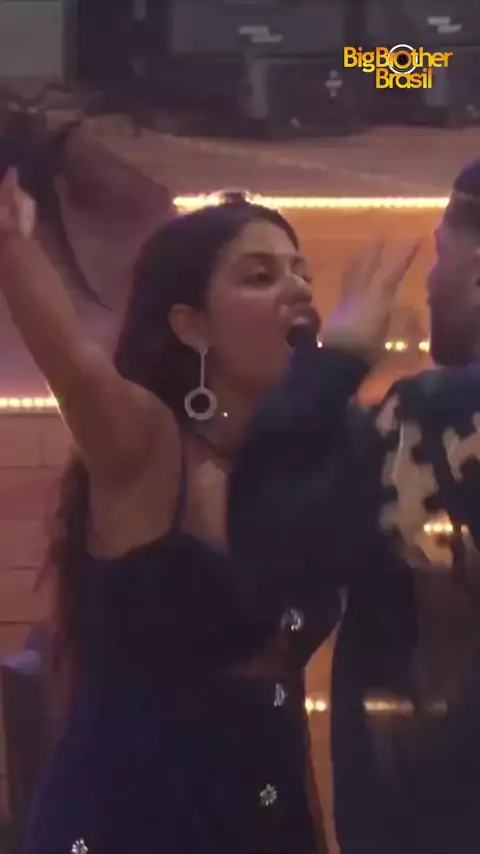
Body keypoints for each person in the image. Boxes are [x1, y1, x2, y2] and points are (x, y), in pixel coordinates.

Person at [0, 166, 345, 854]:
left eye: (300, 272)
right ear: (192, 326)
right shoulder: (148, 445)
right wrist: (12, 245)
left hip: (261, 800)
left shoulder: (301, 463)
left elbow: (280, 688)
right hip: (135, 810)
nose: (297, 290)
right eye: (260, 276)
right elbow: (71, 361)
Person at [228, 160, 480, 854]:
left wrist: (332, 363)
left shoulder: (435, 414)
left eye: (440, 255)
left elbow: (268, 558)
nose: (430, 281)